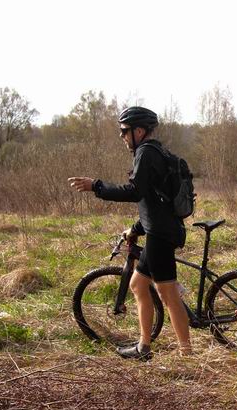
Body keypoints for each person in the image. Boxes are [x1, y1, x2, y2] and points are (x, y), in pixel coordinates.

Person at [68, 106, 191, 359]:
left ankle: (186, 353)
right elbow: (153, 200)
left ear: (139, 130)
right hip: (160, 229)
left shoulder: (145, 153)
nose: (122, 136)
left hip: (160, 235)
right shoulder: (156, 150)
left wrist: (97, 186)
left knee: (168, 295)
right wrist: (136, 228)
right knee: (137, 284)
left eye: (124, 131)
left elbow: (135, 192)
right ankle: (144, 347)